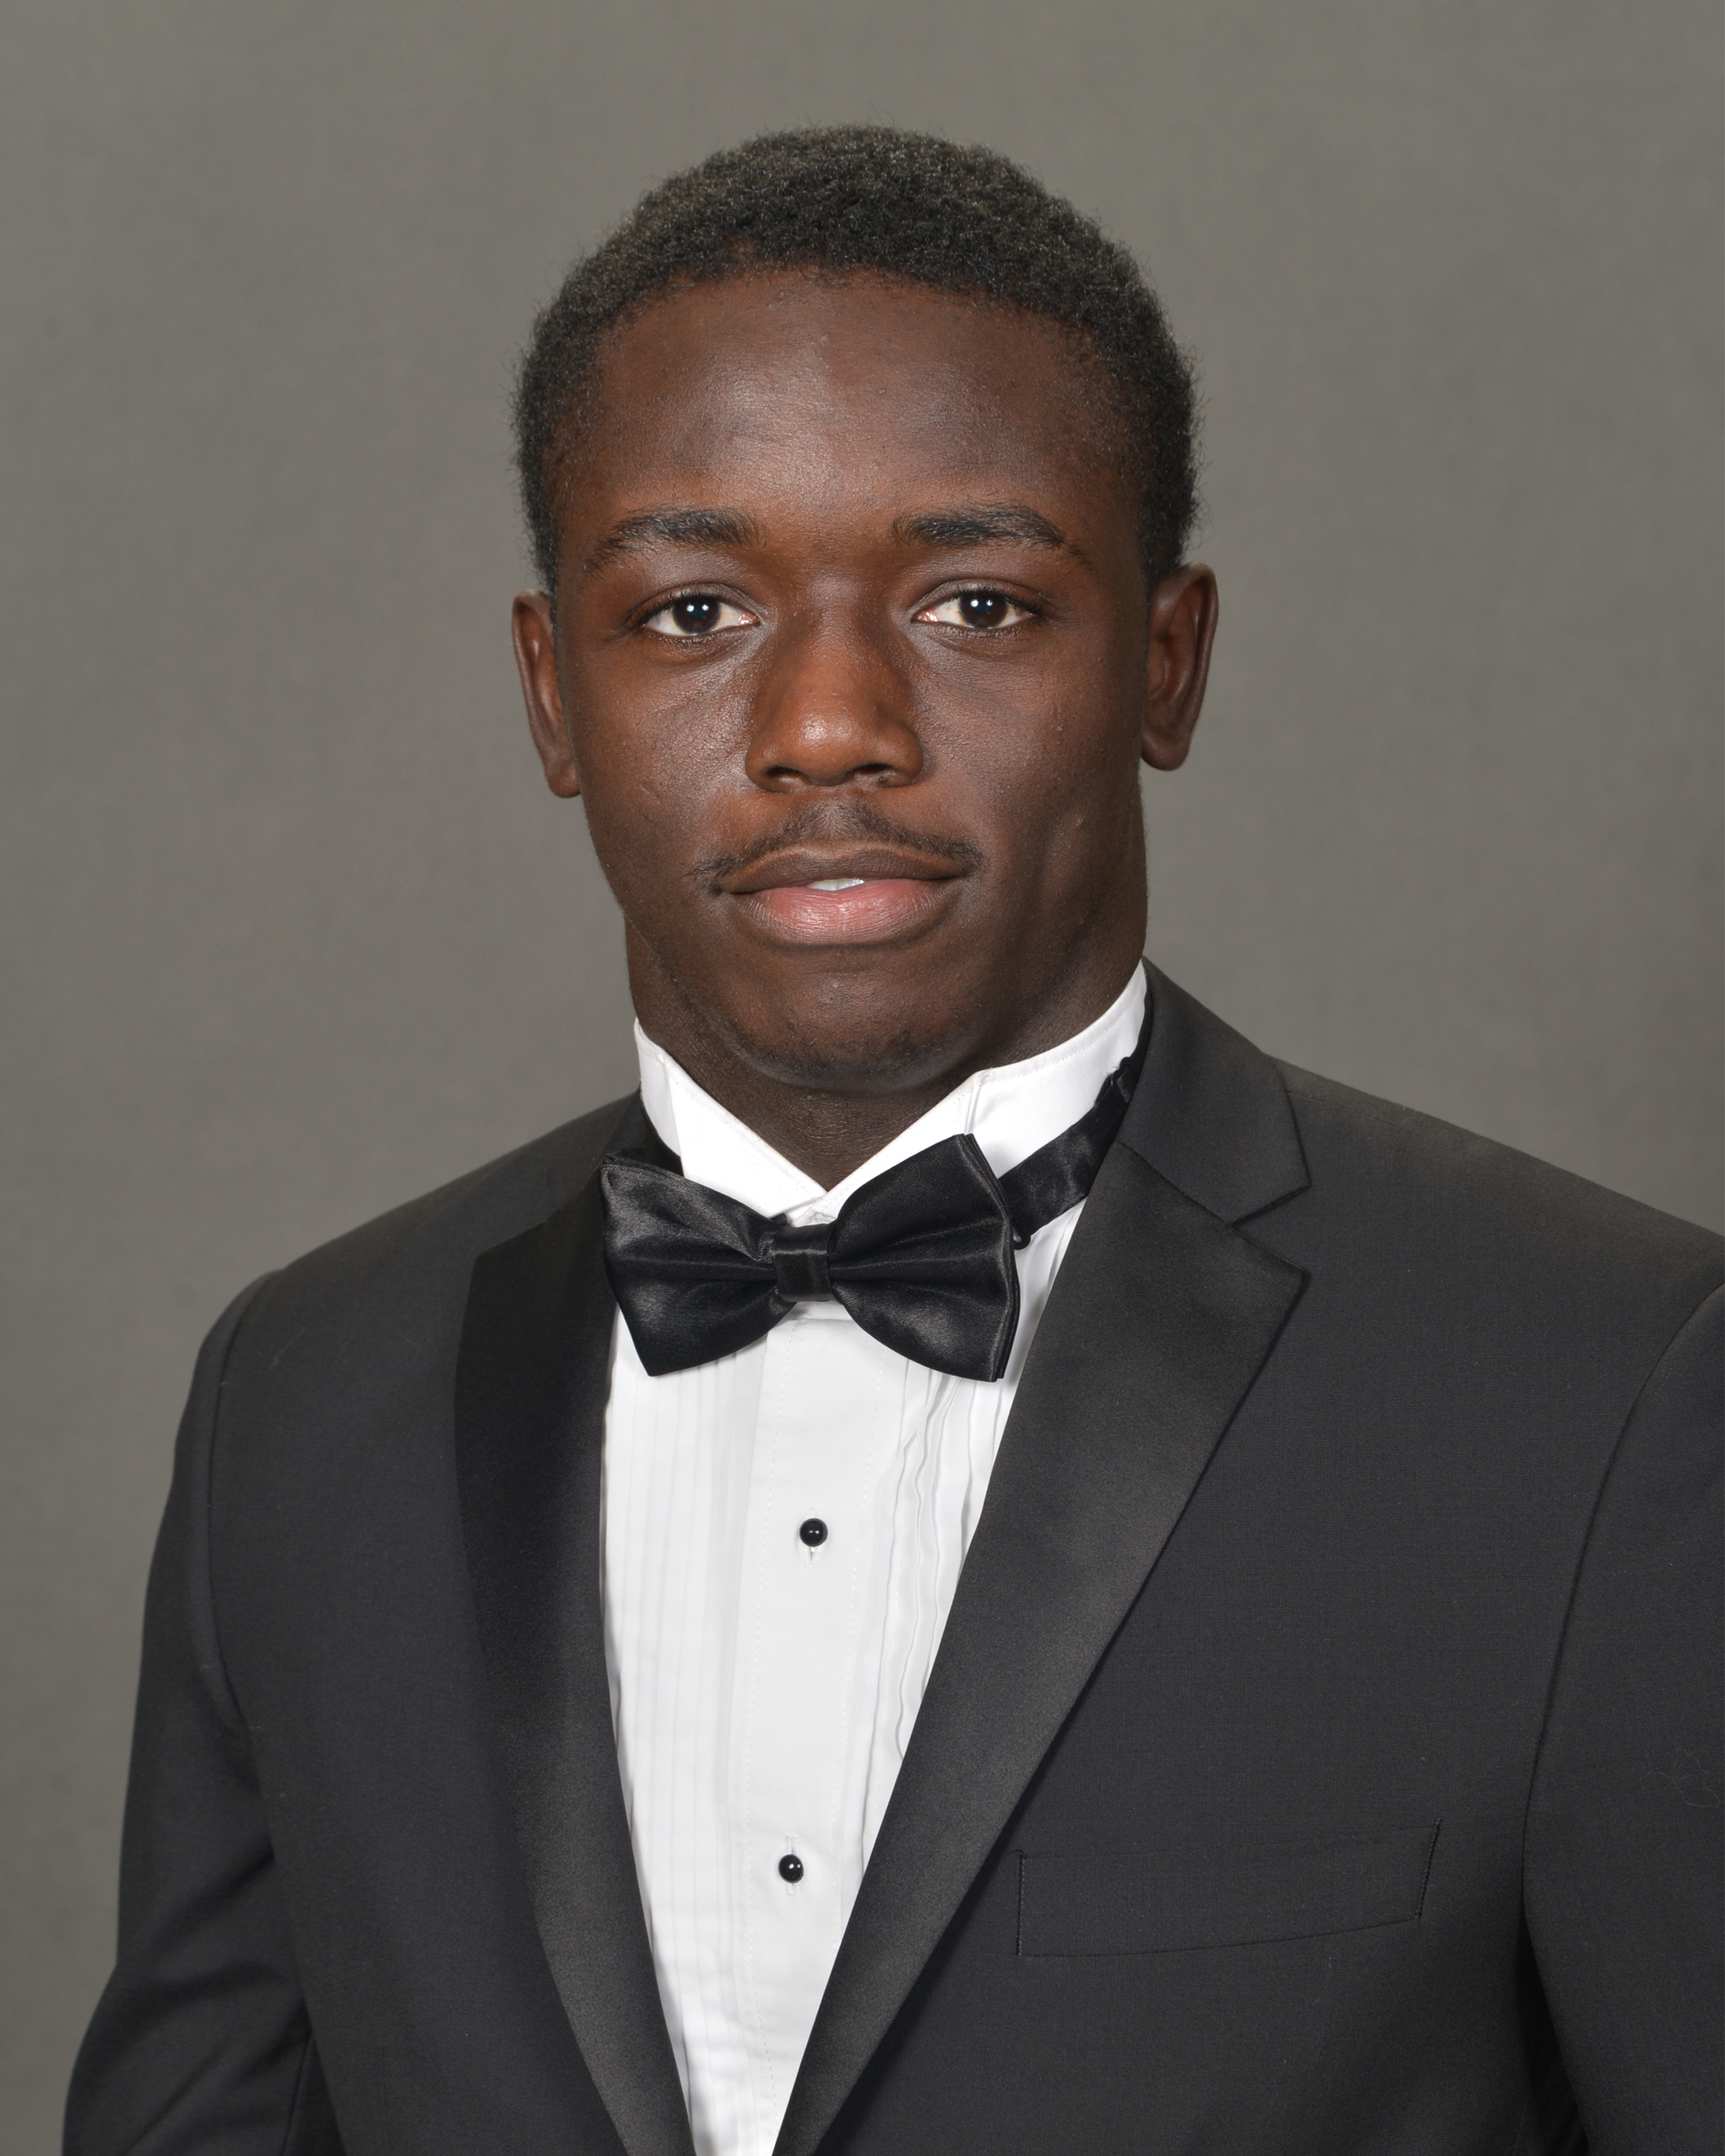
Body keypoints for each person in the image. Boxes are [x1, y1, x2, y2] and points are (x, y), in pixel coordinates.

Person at [65, 126, 1719, 2156]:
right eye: (692, 610)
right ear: (551, 695)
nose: (830, 723)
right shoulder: (302, 1402)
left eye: (975, 602)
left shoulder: (1605, 1390)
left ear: (1166, 661)